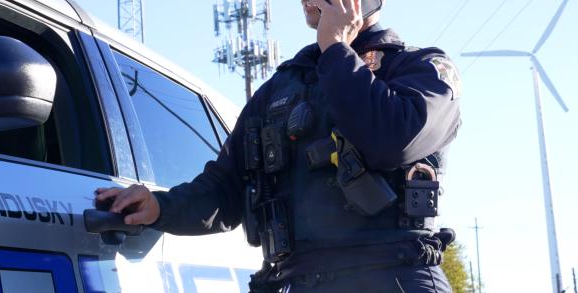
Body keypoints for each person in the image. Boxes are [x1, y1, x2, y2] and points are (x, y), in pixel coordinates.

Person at [95, 0, 462, 291]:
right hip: (294, 279)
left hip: (392, 277)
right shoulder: (282, 87)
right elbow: (225, 187)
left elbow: (392, 139)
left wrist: (335, 49)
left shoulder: (421, 68)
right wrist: (160, 206)